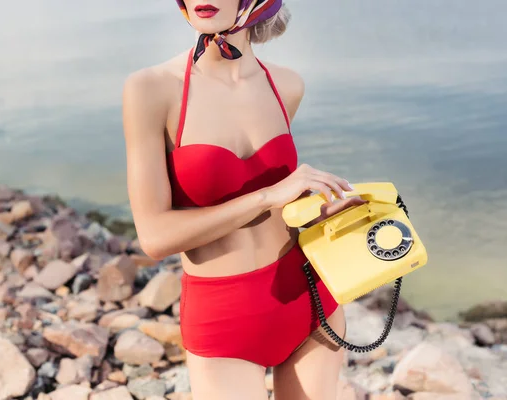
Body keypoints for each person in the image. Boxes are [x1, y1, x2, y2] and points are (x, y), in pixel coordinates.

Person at [122, 1, 365, 398]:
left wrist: (322, 209)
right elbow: (154, 237)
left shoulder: (286, 86)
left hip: (311, 297)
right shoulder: (151, 90)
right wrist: (266, 197)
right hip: (223, 319)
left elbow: (279, 210)